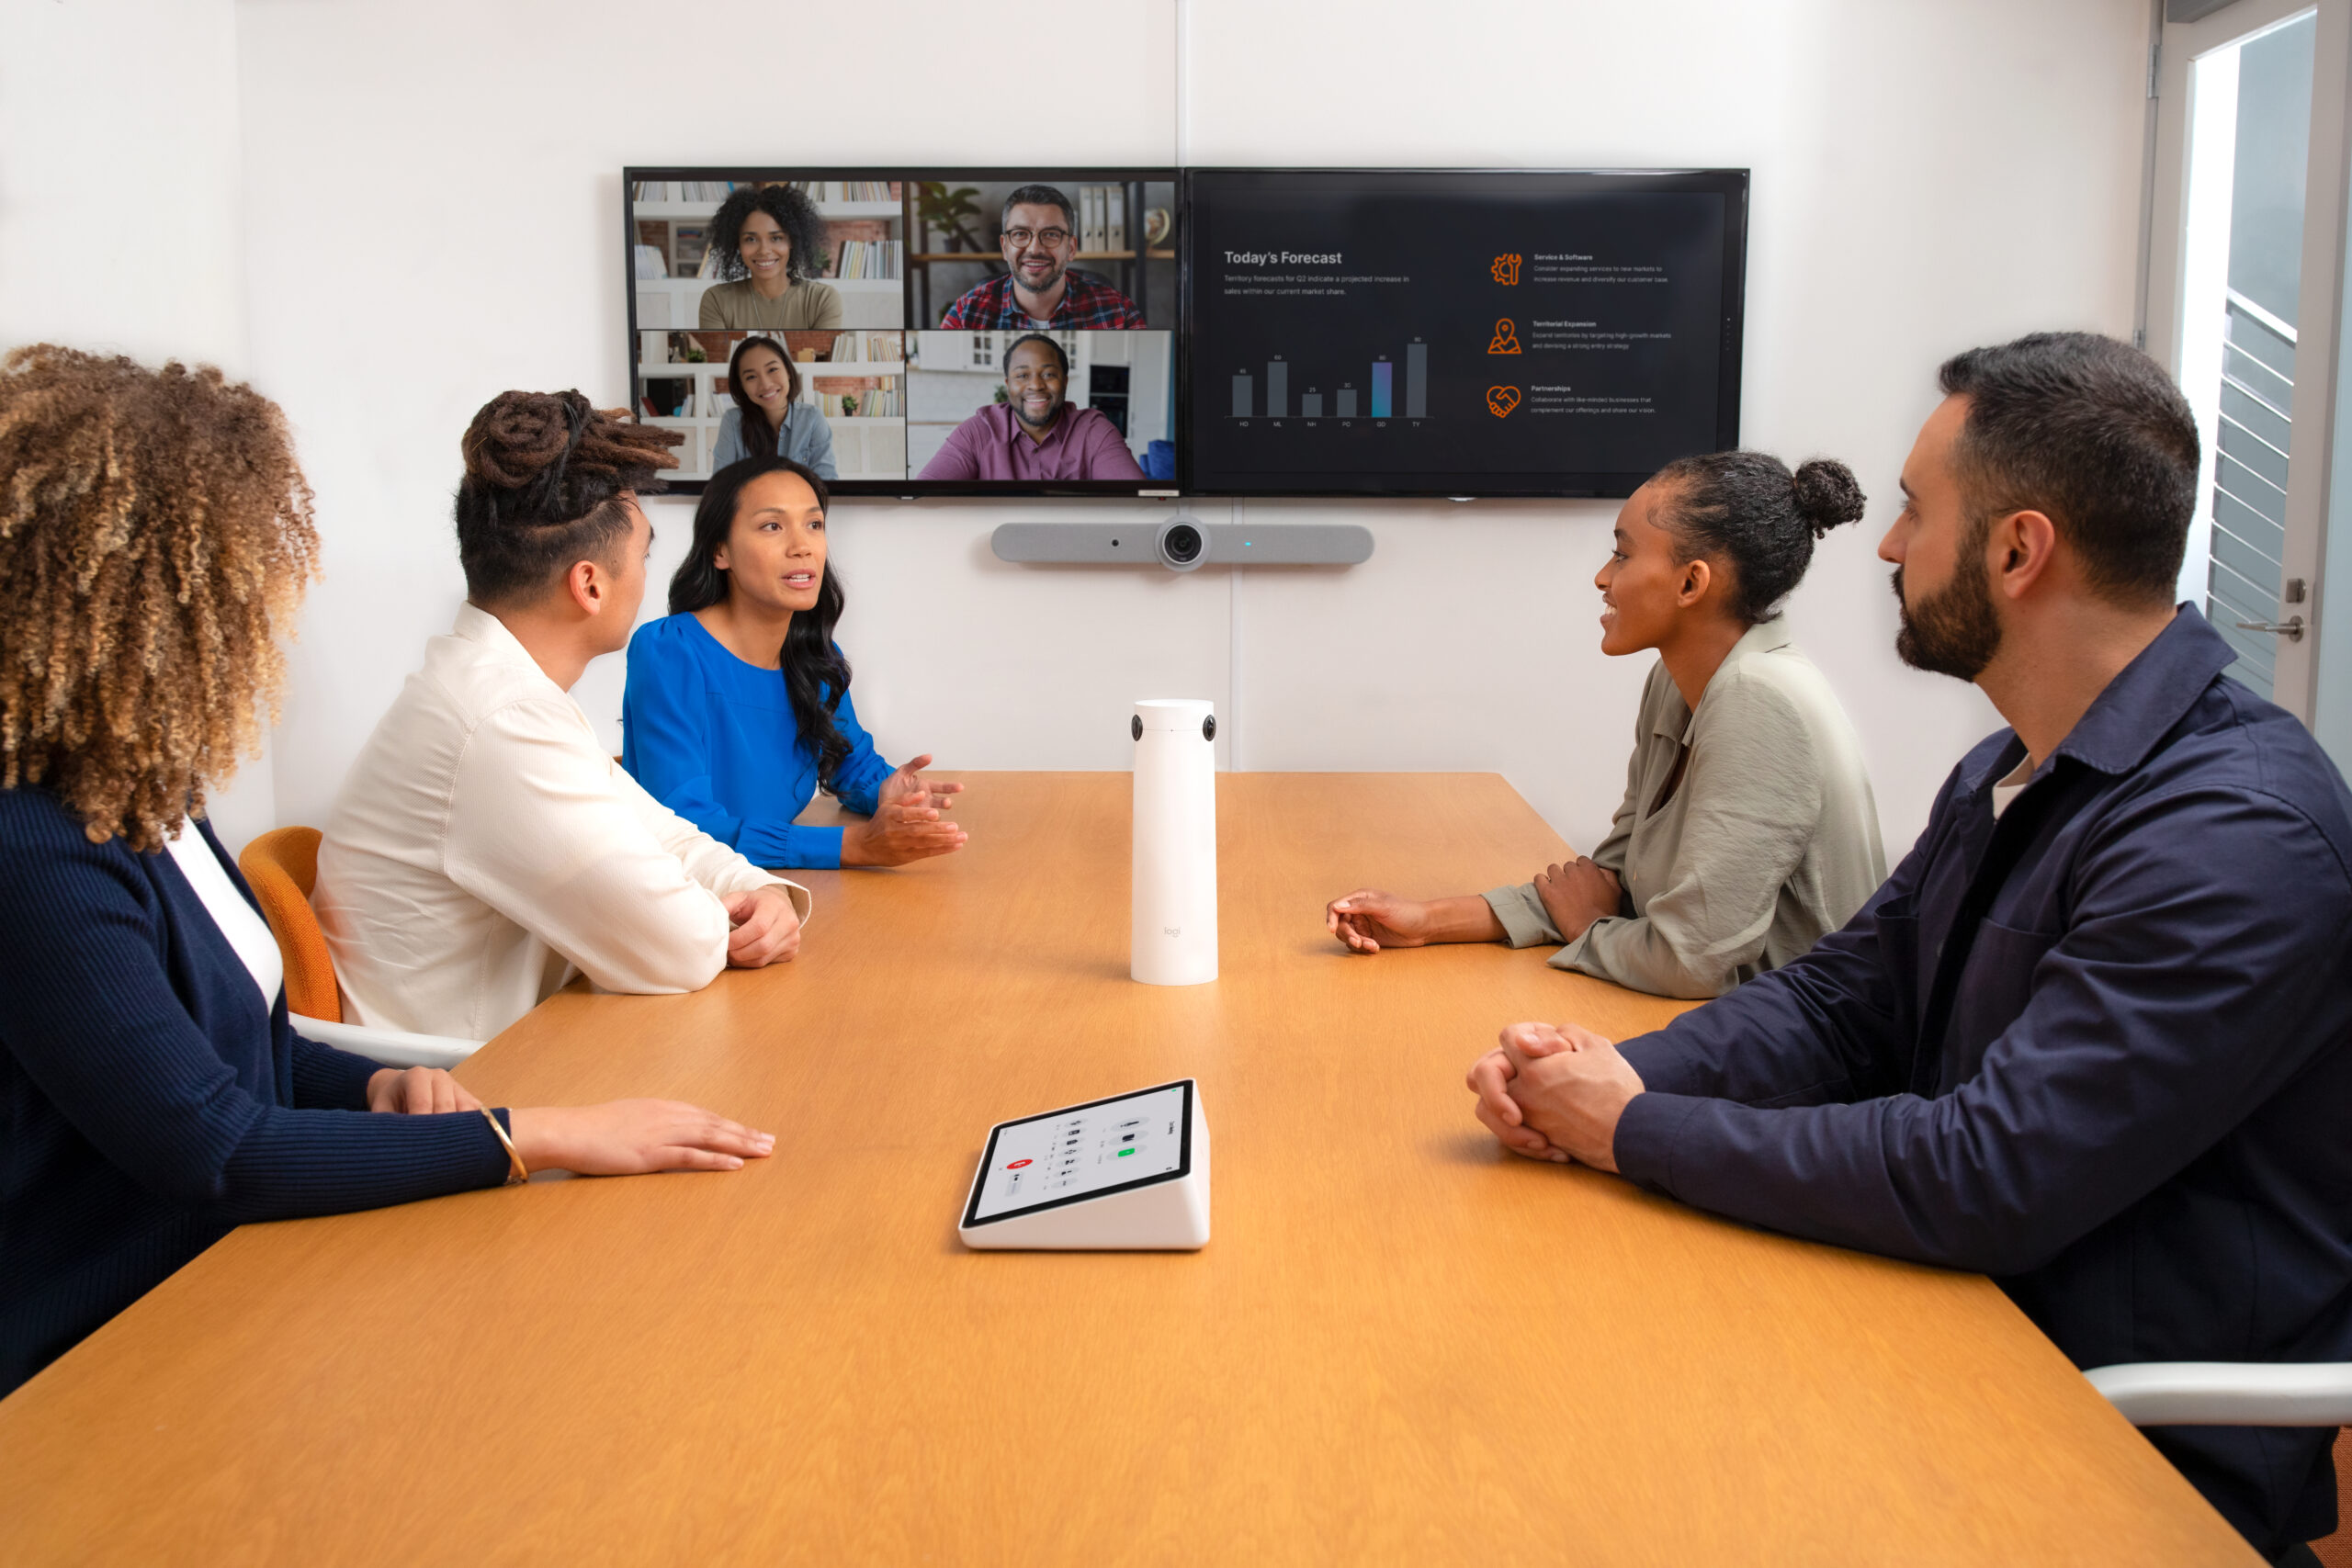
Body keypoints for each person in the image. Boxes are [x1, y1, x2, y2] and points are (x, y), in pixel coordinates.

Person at [1464, 333, 2352, 1562]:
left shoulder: (2236, 831)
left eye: (1915, 513)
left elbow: (1990, 1172)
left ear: (2018, 549)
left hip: (2092, 1436)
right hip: (1936, 1316)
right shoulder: (2015, 765)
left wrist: (1630, 1127)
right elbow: (1843, 1000)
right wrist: (1621, 1073)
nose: (1884, 547)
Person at [0, 346, 778, 1396]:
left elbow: (249, 1052)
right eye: (239, 583)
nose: (266, 612)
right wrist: (535, 1135)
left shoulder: (144, 793)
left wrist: (372, 1084)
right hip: (113, 1347)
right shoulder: (33, 847)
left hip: (243, 1270)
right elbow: (215, 1147)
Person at [313, 390, 812, 1043]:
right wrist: (731, 914)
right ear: (590, 585)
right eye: (642, 555)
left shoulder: (509, 690)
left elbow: (666, 834)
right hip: (470, 1091)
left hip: (534, 1045)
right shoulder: (498, 721)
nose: (645, 577)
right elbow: (681, 946)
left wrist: (762, 894)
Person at [1328, 453, 1885, 999]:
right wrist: (1426, 920)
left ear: (1691, 584)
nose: (1602, 576)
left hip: (1805, 1064)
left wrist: (1587, 931)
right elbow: (1609, 883)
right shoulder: (1677, 681)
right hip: (1736, 1027)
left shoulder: (1759, 700)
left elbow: (1687, 962)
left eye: (1621, 555)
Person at [623, 455, 967, 871]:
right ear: (720, 551)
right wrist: (850, 846)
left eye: (814, 524)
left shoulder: (815, 657)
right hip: (692, 896)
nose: (802, 546)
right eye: (772, 526)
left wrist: (889, 794)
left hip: (777, 885)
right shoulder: (670, 651)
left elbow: (849, 761)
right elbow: (686, 827)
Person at [915, 333, 1146, 483]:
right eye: (1022, 375)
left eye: (1048, 374)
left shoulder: (1095, 431)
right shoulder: (977, 432)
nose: (1035, 385)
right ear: (1008, 385)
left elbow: (1136, 501)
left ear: (1065, 381)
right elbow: (924, 497)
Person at [937, 184, 1146, 329]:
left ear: (1071, 248)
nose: (1034, 248)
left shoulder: (1119, 313)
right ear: (1004, 246)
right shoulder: (965, 314)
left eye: (1051, 235)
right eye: (1020, 234)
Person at [695, 184, 845, 332]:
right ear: (737, 244)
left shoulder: (822, 299)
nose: (764, 251)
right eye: (751, 239)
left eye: (776, 238)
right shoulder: (716, 300)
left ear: (792, 241)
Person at [709, 335, 838, 478]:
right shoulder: (733, 421)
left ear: (788, 371)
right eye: (751, 377)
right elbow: (721, 485)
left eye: (772, 369)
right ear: (742, 386)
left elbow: (827, 484)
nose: (765, 384)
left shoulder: (812, 418)